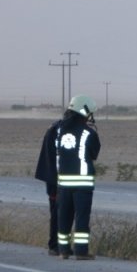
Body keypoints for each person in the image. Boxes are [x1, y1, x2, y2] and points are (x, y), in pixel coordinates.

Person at [55, 94, 101, 260]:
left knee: (64, 217)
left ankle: (63, 250)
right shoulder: (89, 133)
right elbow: (94, 154)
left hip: (63, 183)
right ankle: (81, 251)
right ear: (85, 112)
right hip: (83, 184)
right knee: (81, 218)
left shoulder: (59, 130)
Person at [33, 111, 64, 256]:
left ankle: (55, 245)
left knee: (56, 211)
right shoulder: (63, 130)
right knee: (61, 212)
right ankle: (56, 245)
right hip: (58, 179)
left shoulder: (53, 128)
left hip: (51, 178)